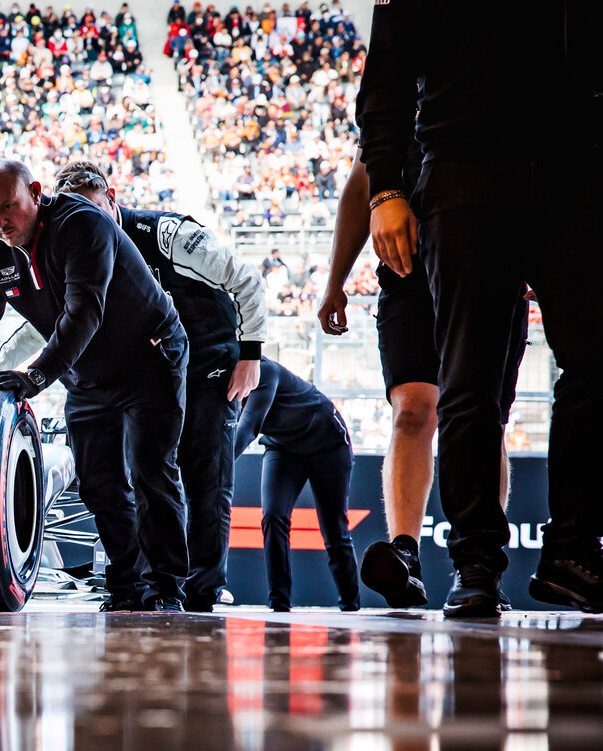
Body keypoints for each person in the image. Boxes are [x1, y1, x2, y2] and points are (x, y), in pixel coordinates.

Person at [356, 1, 601, 616]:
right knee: (469, 383)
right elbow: (384, 77)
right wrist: (386, 188)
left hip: (576, 173)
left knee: (594, 364)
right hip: (464, 172)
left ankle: (572, 550)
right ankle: (476, 565)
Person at [0, 159, 190, 612]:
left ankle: (167, 590)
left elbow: (84, 314)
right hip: (86, 373)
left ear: (36, 193)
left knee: (150, 472)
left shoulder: (82, 223)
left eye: (8, 207)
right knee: (98, 482)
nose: (0, 222)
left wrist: (35, 376)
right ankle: (127, 587)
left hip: (149, 357)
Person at [318, 143, 526, 611]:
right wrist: (336, 281)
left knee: (482, 420)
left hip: (491, 268)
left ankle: (479, 564)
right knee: (412, 411)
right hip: (408, 272)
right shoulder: (397, 94)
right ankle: (404, 557)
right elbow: (360, 186)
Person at [57, 161, 268, 612]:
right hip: (150, 375)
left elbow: (248, 280)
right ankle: (149, 586)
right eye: (77, 214)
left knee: (205, 476)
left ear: (112, 198)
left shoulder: (167, 234)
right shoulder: (76, 249)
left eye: (94, 209)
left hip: (209, 366)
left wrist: (251, 357)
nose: (88, 223)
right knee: (142, 474)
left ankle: (203, 591)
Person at [234, 359, 359, 612]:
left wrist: (218, 469)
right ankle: (279, 605)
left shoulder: (264, 371)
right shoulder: (221, 381)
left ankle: (350, 605)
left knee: (335, 530)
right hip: (283, 447)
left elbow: (249, 427)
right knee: (273, 517)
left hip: (328, 442)